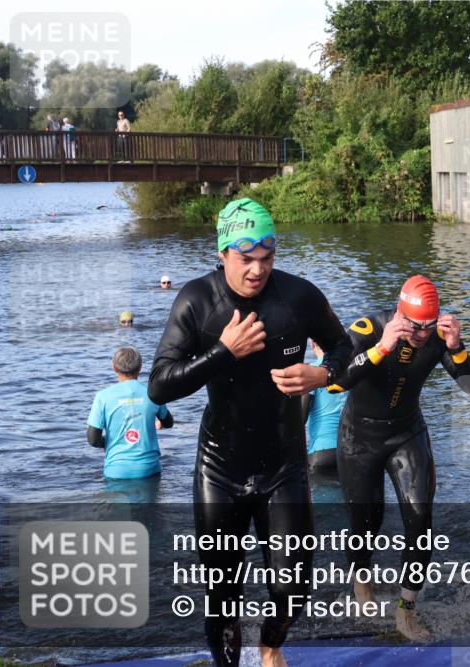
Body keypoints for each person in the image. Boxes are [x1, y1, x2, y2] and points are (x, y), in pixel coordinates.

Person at [148, 198, 353, 667]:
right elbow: (159, 384)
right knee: (222, 594)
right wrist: (223, 351)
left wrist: (323, 375)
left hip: (284, 466)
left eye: (267, 257)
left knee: (294, 586)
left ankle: (270, 646)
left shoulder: (298, 297)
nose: (257, 269)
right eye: (246, 259)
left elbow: (345, 346)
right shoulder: (198, 301)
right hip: (220, 469)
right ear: (222, 253)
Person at [328, 275, 470, 642]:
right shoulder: (369, 328)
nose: (421, 334)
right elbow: (334, 382)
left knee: (420, 518)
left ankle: (405, 611)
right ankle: (363, 588)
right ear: (400, 314)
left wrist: (457, 347)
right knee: (366, 524)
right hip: (359, 437)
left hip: (406, 433)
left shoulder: (438, 336)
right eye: (415, 326)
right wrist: (382, 348)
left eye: (429, 326)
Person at [87, 347, 174, 480]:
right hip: (149, 470)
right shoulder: (153, 392)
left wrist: (106, 442)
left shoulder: (102, 397)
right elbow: (168, 423)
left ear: (114, 368)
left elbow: (93, 439)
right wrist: (161, 422)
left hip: (116, 471)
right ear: (140, 368)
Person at [302, 341, 347, 474]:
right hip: (351, 452)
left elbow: (300, 419)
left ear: (312, 344)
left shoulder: (311, 372)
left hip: (322, 453)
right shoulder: (353, 370)